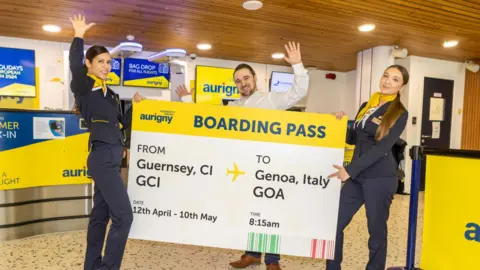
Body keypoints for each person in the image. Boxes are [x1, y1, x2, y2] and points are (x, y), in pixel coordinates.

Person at [176, 42, 309, 270]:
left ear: (255, 78)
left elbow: (299, 91)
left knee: (270, 214)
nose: (242, 83)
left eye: (246, 78)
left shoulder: (271, 100)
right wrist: (188, 101)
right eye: (238, 81)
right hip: (244, 169)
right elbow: (205, 121)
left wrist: (297, 64)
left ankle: (273, 261)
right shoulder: (233, 106)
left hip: (269, 169)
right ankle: (253, 254)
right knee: (250, 213)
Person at [68, 14, 146, 270]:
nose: (106, 66)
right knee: (124, 217)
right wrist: (78, 36)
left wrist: (134, 108)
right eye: (100, 61)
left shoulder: (110, 94)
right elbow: (74, 65)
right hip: (101, 157)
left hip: (114, 159)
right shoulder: (84, 87)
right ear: (89, 64)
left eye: (109, 62)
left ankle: (91, 266)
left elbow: (122, 123)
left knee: (99, 217)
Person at [327, 65, 409, 270]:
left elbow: (382, 148)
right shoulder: (367, 104)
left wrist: (350, 170)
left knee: (376, 231)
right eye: (386, 76)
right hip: (357, 177)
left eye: (395, 79)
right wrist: (341, 124)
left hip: (380, 178)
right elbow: (355, 139)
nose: (388, 82)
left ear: (402, 86)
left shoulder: (400, 113)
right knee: (333, 224)